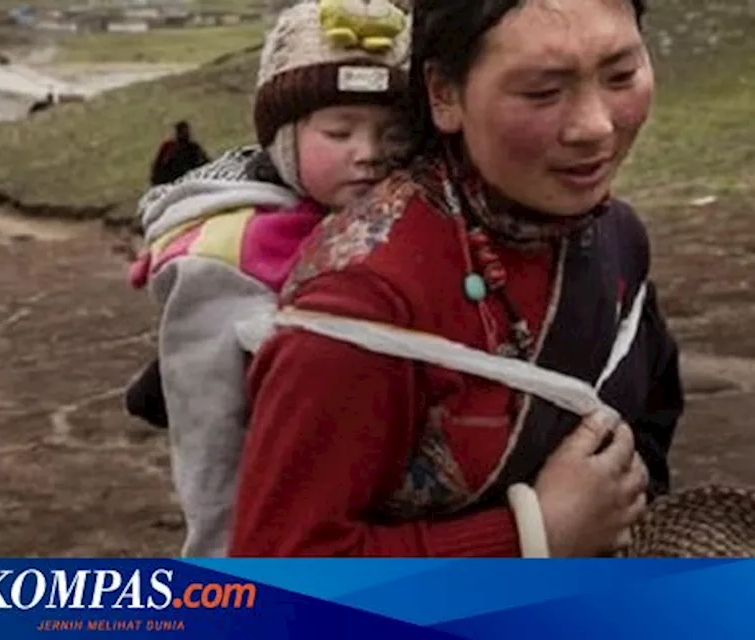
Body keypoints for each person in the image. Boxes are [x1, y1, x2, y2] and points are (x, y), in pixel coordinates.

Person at [229, 0, 682, 557]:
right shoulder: (360, 308)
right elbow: (282, 580)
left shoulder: (615, 235)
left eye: (621, 75)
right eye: (543, 91)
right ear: (443, 94)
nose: (594, 125)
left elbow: (651, 419)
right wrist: (532, 537)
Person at [125, 0, 412, 557]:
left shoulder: (400, 215)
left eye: (393, 133)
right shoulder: (230, 256)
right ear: (282, 138)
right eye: (338, 131)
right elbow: (213, 444)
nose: (369, 153)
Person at [149, 120, 210, 187]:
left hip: (182, 182)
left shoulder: (192, 148)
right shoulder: (169, 147)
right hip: (173, 182)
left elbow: (205, 162)